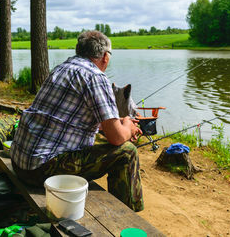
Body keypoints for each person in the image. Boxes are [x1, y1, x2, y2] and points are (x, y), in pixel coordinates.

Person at [10, 31, 144, 212]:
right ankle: (128, 217)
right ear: (105, 57)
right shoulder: (96, 77)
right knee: (127, 152)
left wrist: (117, 121)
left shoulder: (61, 68)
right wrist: (127, 126)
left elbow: (72, 116)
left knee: (104, 140)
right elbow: (117, 138)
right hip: (41, 171)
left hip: (20, 162)